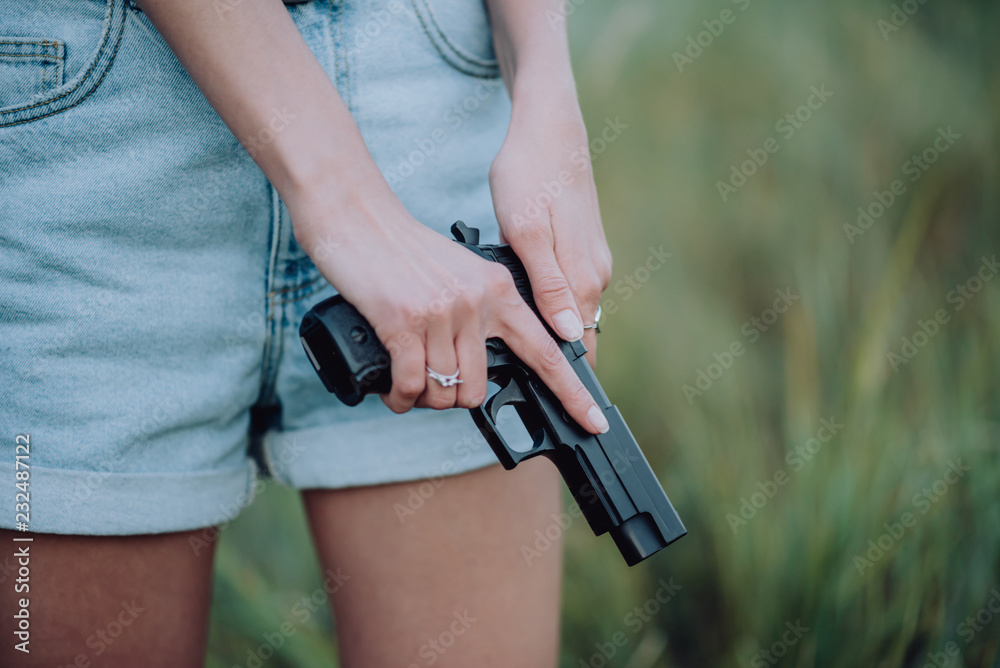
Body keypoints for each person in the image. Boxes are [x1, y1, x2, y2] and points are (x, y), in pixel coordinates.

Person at [0, 0, 611, 664]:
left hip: (427, 80)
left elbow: (545, 80)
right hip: (98, 116)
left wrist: (548, 83)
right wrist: (347, 205)